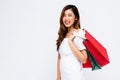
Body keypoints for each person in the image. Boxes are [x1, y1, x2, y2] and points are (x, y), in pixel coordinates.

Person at [56, 4, 88, 80]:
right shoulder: (62, 35)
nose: (66, 18)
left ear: (76, 18)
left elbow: (84, 59)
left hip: (75, 76)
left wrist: (70, 42)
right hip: (65, 77)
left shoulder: (78, 34)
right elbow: (60, 58)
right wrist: (58, 78)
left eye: (69, 15)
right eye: (64, 15)